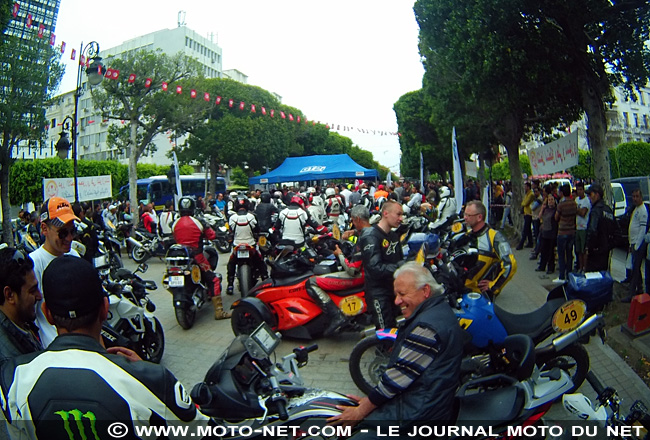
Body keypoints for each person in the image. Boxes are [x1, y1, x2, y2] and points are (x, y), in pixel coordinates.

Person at [0, 255, 208, 439]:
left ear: (47, 314)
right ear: (104, 308)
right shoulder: (152, 379)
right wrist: (142, 371)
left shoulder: (13, 379)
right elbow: (203, 432)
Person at [328, 262, 464, 434]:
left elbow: (396, 380)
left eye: (402, 294)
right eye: (396, 294)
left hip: (416, 414)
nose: (397, 301)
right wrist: (370, 401)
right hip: (423, 404)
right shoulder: (438, 310)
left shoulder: (427, 328)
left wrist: (360, 411)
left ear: (425, 291)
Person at [306, 205, 369, 336]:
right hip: (368, 273)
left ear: (357, 219)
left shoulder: (363, 239)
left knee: (311, 282)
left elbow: (352, 271)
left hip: (359, 276)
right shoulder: (372, 231)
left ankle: (336, 315)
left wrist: (339, 255)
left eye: (353, 220)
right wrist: (354, 232)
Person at [29, 197, 81, 347]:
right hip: (52, 348)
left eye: (73, 231)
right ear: (44, 229)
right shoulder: (34, 263)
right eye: (63, 233)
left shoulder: (74, 256)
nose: (70, 238)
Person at [172, 196, 230, 319]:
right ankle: (219, 312)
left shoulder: (174, 222)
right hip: (197, 257)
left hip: (178, 259)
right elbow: (212, 235)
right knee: (213, 280)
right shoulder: (198, 221)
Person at [360, 200, 404, 329]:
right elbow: (375, 268)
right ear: (385, 213)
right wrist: (401, 266)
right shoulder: (371, 236)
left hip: (393, 289)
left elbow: (397, 259)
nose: (401, 218)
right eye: (398, 214)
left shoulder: (394, 235)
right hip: (378, 293)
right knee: (386, 333)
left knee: (396, 327)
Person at [464, 201, 517, 297]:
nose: (465, 218)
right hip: (462, 290)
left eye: (468, 215)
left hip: (480, 296)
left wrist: (494, 286)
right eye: (465, 214)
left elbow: (510, 264)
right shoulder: (467, 234)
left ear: (479, 217)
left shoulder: (494, 237)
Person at [0, 248, 43, 363]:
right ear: (9, 295)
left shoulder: (22, 324)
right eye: (32, 290)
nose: (39, 296)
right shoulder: (8, 362)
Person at [226, 198, 268, 295]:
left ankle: (230, 285)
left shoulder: (231, 218)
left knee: (231, 263)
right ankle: (265, 279)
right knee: (260, 261)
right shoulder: (252, 216)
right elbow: (257, 230)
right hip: (251, 244)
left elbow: (230, 231)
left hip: (237, 245)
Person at [623, 189, 649, 301]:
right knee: (636, 268)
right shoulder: (636, 209)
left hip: (638, 244)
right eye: (633, 196)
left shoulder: (642, 211)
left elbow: (642, 230)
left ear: (641, 197)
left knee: (635, 268)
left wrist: (637, 245)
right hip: (633, 242)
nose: (635, 198)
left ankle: (632, 293)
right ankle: (639, 289)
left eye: (637, 196)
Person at [585, 184, 615, 272]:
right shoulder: (608, 209)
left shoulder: (596, 211)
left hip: (596, 250)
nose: (589, 198)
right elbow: (614, 228)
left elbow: (592, 230)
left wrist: (589, 247)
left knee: (592, 277)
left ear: (597, 195)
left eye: (590, 194)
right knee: (603, 274)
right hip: (606, 249)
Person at [554, 184, 577, 283]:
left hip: (562, 231)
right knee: (569, 253)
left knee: (561, 254)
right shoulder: (574, 204)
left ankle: (561, 276)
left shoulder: (561, 205)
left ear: (562, 193)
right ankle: (569, 274)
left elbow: (556, 217)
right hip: (572, 231)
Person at [536, 186, 558, 276]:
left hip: (552, 232)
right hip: (544, 232)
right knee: (543, 249)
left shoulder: (556, 210)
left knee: (550, 251)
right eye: (549, 200)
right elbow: (539, 217)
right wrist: (543, 208)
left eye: (552, 200)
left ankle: (550, 267)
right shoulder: (546, 209)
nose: (550, 201)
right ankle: (542, 265)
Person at [574, 182, 591, 273]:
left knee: (584, 250)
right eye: (578, 190)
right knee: (578, 250)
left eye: (581, 189)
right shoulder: (576, 200)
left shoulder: (587, 201)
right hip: (577, 227)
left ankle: (585, 267)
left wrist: (576, 210)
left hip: (584, 227)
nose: (579, 191)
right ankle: (580, 267)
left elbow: (583, 213)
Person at [517, 182, 535, 250]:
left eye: (525, 186)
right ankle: (530, 242)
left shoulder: (531, 194)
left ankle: (521, 244)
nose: (524, 188)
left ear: (528, 187)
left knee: (525, 229)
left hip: (529, 213)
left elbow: (525, 202)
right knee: (528, 229)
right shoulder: (527, 194)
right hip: (526, 213)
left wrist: (523, 204)